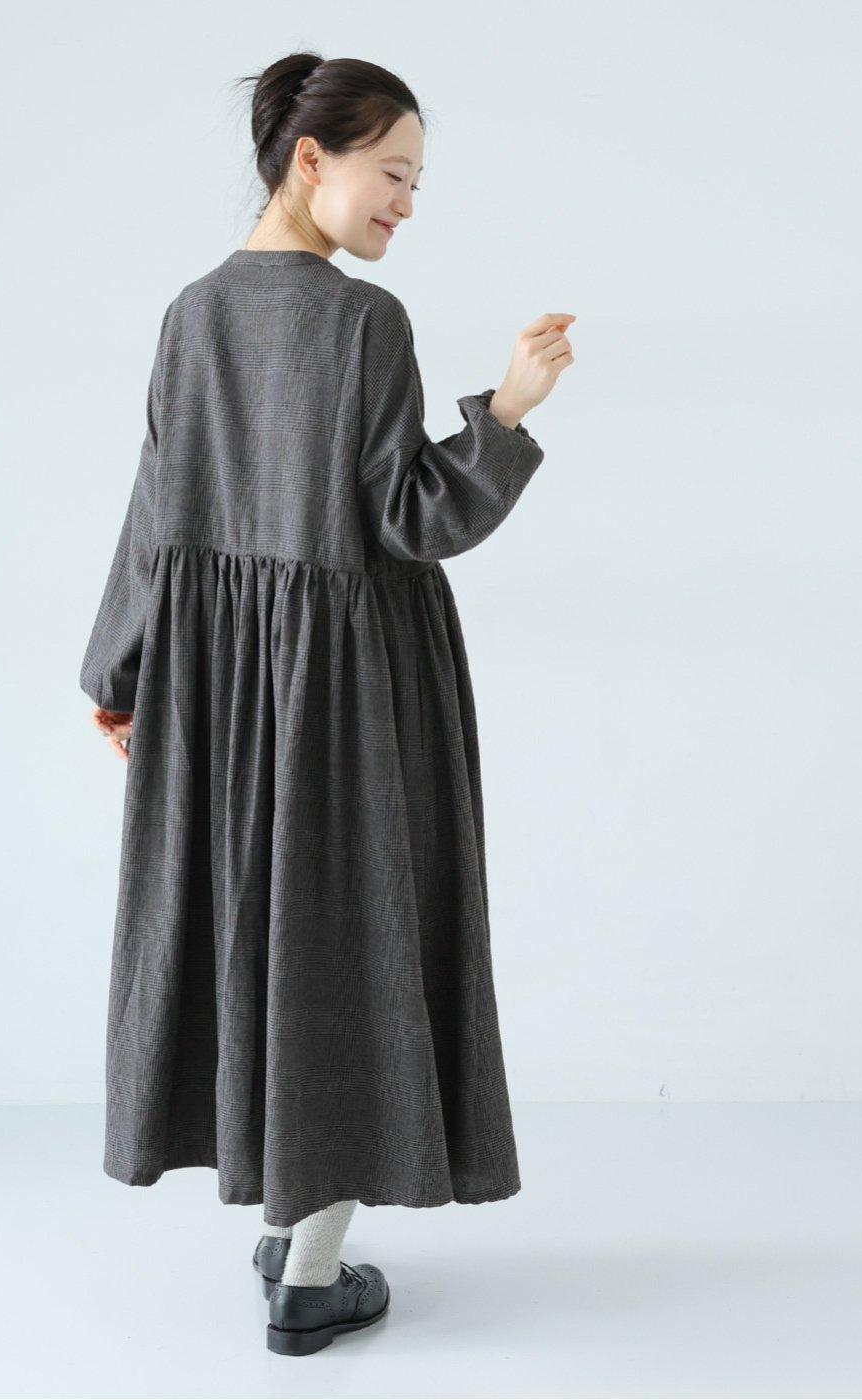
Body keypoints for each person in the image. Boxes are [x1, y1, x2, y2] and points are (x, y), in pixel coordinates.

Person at [79, 52, 575, 1356]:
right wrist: (510, 412)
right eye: (393, 173)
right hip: (354, 690)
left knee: (258, 931)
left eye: (416, 183)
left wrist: (122, 671)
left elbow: (155, 511)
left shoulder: (190, 314)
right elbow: (410, 520)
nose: (406, 203)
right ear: (313, 159)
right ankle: (310, 1274)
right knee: (350, 938)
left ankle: (291, 1223)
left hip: (220, 693)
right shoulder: (365, 324)